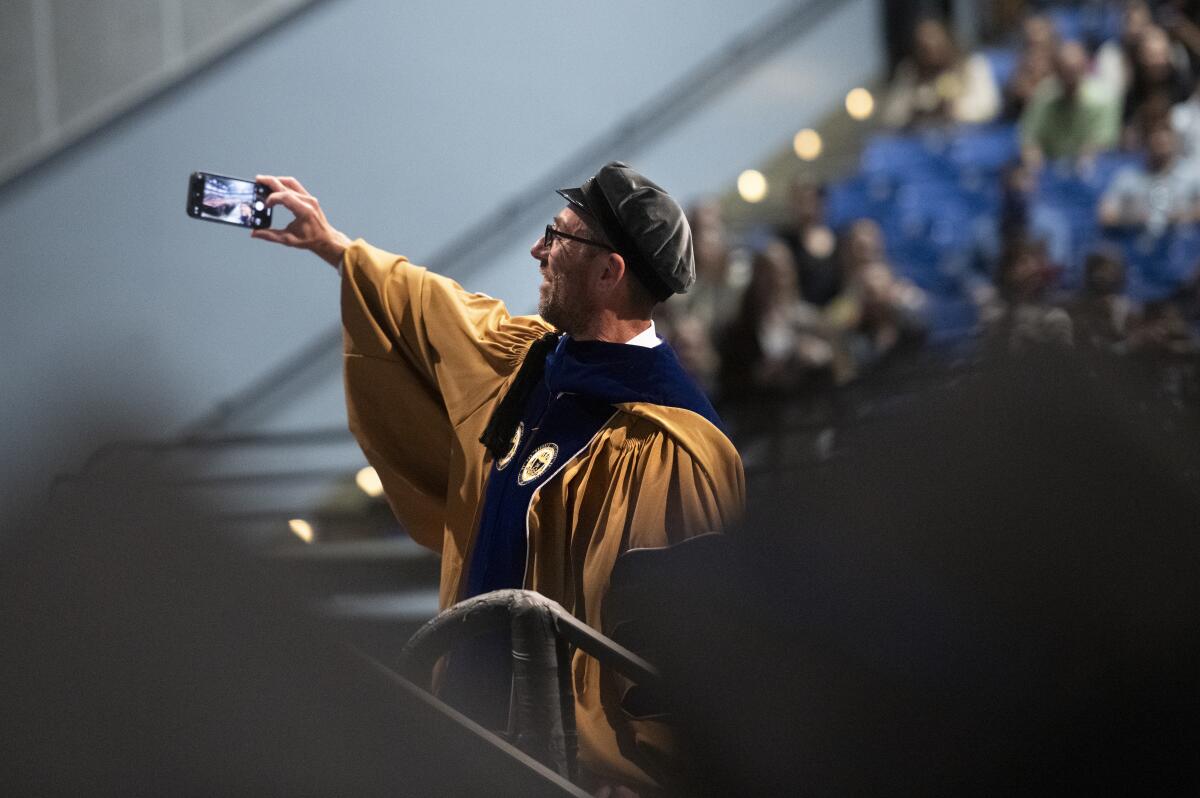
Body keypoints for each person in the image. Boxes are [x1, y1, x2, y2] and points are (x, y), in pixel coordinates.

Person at [251, 164, 745, 794]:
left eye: (559, 237)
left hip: (573, 769)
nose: (539, 250)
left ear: (609, 271)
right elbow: (432, 306)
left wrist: (650, 772)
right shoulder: (531, 361)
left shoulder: (674, 447)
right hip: (469, 726)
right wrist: (331, 243)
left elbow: (684, 638)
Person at [880, 17, 1000, 129]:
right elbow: (890, 117)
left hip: (970, 139)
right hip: (918, 143)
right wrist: (913, 112)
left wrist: (952, 109)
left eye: (937, 46)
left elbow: (989, 107)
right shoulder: (910, 72)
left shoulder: (972, 65)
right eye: (925, 49)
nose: (932, 54)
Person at [1020, 40, 1120, 169]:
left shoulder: (1104, 98)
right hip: (1050, 166)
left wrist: (1082, 162)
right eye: (1064, 70)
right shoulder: (1044, 94)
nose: (1069, 77)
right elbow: (1029, 139)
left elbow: (1104, 143)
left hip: (1092, 167)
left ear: (1084, 68)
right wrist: (1033, 165)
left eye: (1074, 70)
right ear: (1056, 71)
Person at [1099, 118, 1200, 235]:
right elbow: (1106, 215)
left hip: (1182, 245)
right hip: (1137, 243)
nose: (1161, 150)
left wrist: (1173, 218)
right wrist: (1137, 217)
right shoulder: (1129, 177)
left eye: (1165, 143)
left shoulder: (1192, 174)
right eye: (1157, 143)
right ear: (1146, 143)